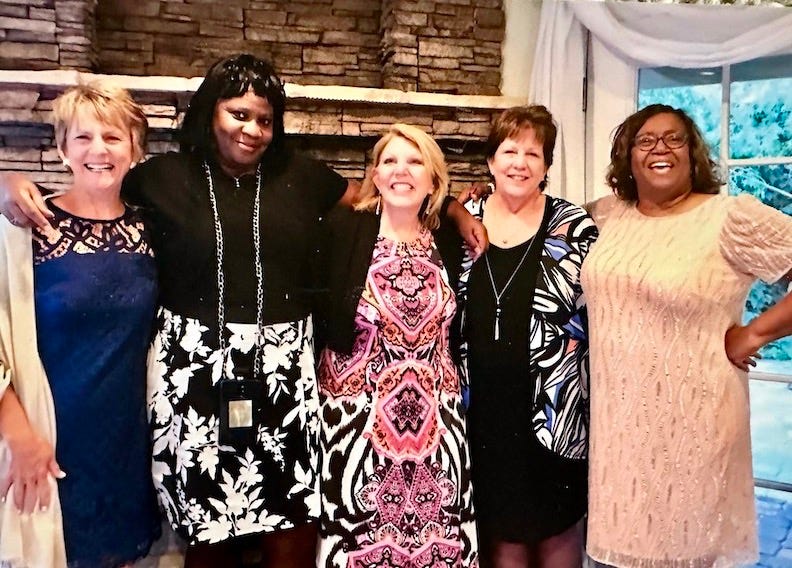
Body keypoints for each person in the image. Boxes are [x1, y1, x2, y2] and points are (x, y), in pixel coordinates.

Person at [0, 53, 486, 567]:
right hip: (192, 377)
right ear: (211, 112)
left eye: (264, 120)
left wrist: (455, 210)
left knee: (293, 524)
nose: (251, 129)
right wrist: (7, 183)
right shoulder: (162, 177)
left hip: (286, 376)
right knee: (209, 534)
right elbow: (91, 192)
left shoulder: (302, 177)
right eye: (238, 114)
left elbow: (383, 194)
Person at [581, 103, 792, 567]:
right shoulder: (608, 215)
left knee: (686, 551)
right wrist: (467, 205)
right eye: (645, 140)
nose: (660, 148)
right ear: (628, 157)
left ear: (692, 153)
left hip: (695, 430)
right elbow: (535, 218)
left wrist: (754, 334)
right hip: (619, 439)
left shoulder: (729, 217)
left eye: (673, 138)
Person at [0, 83, 160, 567]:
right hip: (45, 439)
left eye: (112, 137)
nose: (98, 150)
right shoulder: (24, 227)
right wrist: (19, 436)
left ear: (135, 149)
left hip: (125, 444)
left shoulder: (152, 230)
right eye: (83, 137)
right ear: (62, 148)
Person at [315, 124, 478, 567]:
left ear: (433, 180)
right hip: (356, 427)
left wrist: (459, 211)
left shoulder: (448, 239)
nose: (400, 171)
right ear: (375, 174)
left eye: (414, 161)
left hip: (438, 428)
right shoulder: (343, 230)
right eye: (389, 161)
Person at [458, 105, 597, 568]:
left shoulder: (573, 226)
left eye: (533, 154)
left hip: (555, 408)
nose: (520, 163)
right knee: (502, 535)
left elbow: (603, 309)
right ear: (491, 161)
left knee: (557, 532)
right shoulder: (463, 219)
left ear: (546, 165)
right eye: (509, 151)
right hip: (482, 412)